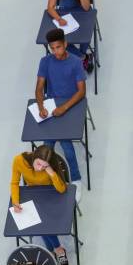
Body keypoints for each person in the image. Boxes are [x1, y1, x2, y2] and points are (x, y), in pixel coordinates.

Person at [36, 28, 86, 202]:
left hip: (71, 106)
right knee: (45, 149)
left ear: (65, 44)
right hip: (52, 106)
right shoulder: (45, 61)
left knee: (67, 149)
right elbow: (39, 87)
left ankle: (77, 180)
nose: (55, 51)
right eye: (52, 48)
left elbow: (81, 92)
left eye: (58, 47)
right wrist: (41, 106)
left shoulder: (75, 62)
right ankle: (49, 179)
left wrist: (64, 108)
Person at [10, 145, 69, 265]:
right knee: (40, 223)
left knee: (43, 224)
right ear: (34, 156)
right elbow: (14, 183)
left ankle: (54, 250)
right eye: (38, 164)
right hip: (33, 196)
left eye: (44, 166)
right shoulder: (19, 160)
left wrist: (51, 171)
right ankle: (58, 249)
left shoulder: (49, 167)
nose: (40, 168)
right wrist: (15, 202)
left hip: (50, 197)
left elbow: (62, 189)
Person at [46, 0, 94, 73]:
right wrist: (58, 18)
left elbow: (86, 8)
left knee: (86, 33)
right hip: (65, 13)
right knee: (59, 41)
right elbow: (50, 7)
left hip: (81, 12)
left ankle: (79, 57)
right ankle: (83, 57)